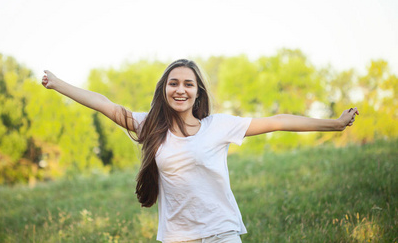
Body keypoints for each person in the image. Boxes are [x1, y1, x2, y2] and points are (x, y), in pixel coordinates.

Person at [42, 59, 359, 243]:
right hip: (177, 237)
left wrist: (334, 124)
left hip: (221, 232)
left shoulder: (218, 126)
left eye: (188, 84)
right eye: (173, 83)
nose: (180, 89)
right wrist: (58, 84)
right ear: (164, 90)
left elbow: (277, 121)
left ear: (197, 92)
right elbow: (104, 104)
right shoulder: (150, 126)